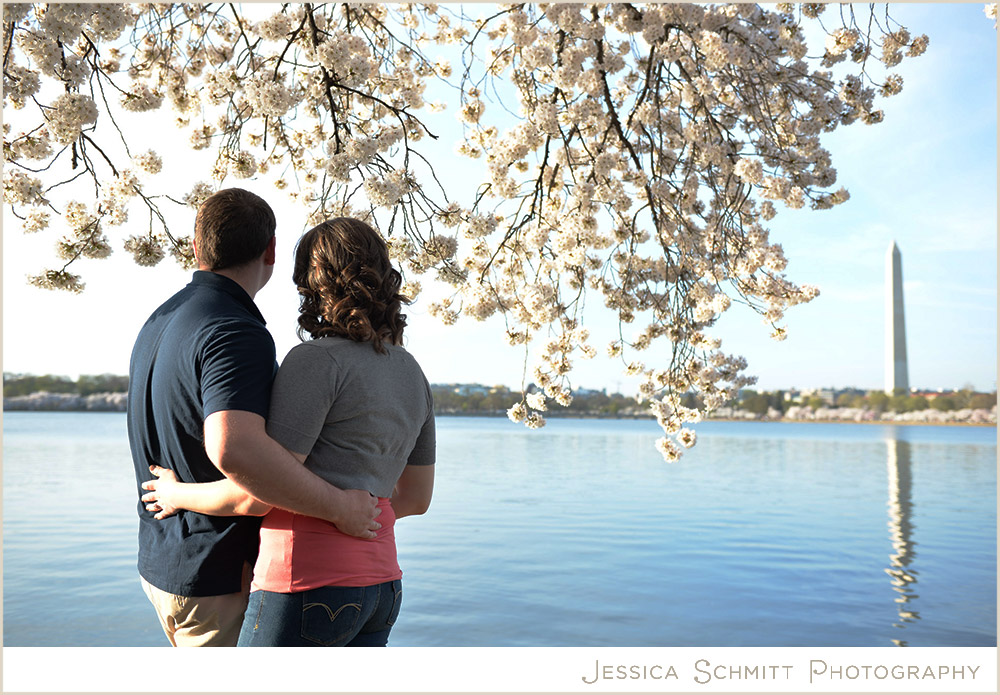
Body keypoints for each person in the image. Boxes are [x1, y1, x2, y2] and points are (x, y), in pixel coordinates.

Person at [140, 216, 435, 647]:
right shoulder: (413, 373)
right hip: (382, 588)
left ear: (311, 282)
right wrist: (359, 508)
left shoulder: (315, 361)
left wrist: (175, 494)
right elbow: (415, 499)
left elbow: (257, 492)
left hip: (304, 583)